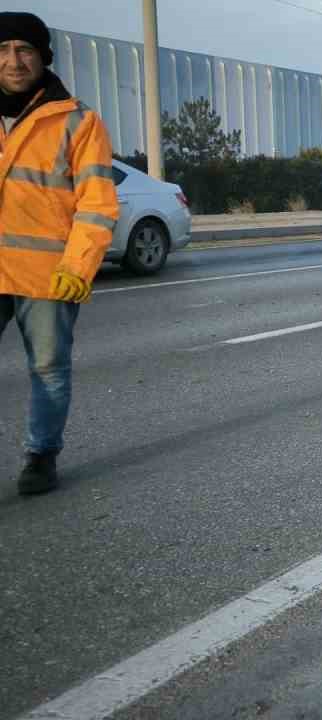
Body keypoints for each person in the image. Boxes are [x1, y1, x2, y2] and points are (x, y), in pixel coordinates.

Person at [0, 12, 118, 495]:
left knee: (48, 369)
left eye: (24, 50)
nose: (13, 60)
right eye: (3, 49)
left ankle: (41, 455)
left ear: (43, 56)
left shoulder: (78, 120)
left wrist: (79, 265)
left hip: (48, 273)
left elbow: (96, 201)